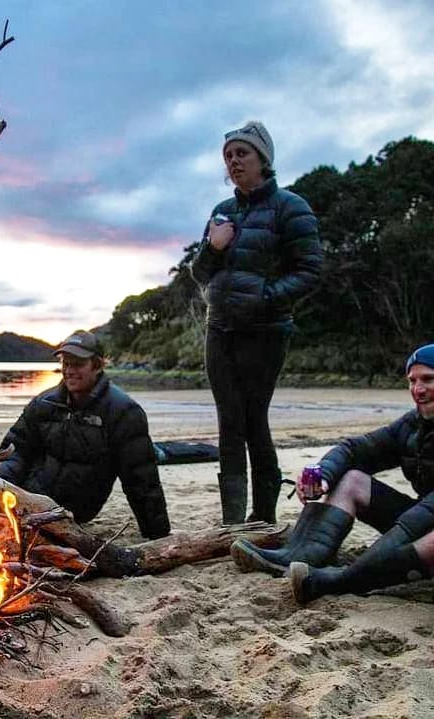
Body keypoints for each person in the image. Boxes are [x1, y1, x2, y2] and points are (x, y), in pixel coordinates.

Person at [190, 121, 323, 525]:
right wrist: (214, 246)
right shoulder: (222, 212)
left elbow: (310, 270)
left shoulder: (290, 207)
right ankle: (232, 522)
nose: (233, 161)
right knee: (229, 422)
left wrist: (265, 298)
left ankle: (263, 516)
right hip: (220, 329)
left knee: (254, 420)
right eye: (228, 155)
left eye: (242, 153)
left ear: (264, 159)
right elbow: (200, 273)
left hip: (265, 331)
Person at [230, 343, 434, 603]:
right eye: (412, 380)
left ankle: (344, 580)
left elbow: (424, 514)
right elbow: (354, 450)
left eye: (428, 379)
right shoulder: (411, 425)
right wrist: (323, 476)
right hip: (421, 518)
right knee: (352, 479)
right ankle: (299, 556)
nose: (418, 389)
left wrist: (384, 548)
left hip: (424, 522)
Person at [0, 330, 171, 540]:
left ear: (97, 365)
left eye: (78, 364)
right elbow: (15, 450)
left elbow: (141, 479)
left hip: (73, 511)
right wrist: (0, 488)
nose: (69, 370)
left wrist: (158, 534)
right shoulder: (44, 403)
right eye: (66, 363)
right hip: (28, 499)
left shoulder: (123, 412)